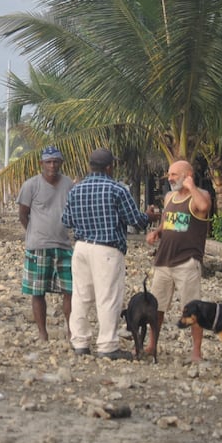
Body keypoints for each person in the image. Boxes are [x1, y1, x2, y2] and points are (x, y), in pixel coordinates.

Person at [61, 147, 155, 360]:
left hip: (82, 247)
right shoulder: (117, 189)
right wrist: (148, 216)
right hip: (107, 249)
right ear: (110, 167)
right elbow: (135, 220)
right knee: (108, 297)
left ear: (90, 166)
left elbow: (66, 221)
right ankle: (107, 345)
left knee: (81, 296)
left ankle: (80, 342)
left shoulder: (76, 190)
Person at [145, 159, 212, 362]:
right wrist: (157, 231)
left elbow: (204, 206)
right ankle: (151, 345)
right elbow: (167, 220)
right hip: (164, 260)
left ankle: (196, 352)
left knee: (192, 308)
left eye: (174, 174)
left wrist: (191, 187)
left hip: (187, 262)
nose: (170, 178)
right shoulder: (169, 197)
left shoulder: (200, 196)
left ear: (187, 175)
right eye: (169, 174)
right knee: (156, 307)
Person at [17, 145, 74, 342]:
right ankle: (42, 333)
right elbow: (23, 215)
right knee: (37, 291)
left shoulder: (68, 184)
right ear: (42, 164)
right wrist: (34, 233)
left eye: (56, 161)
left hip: (64, 245)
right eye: (48, 162)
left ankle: (71, 330)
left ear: (61, 163)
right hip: (38, 246)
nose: (52, 165)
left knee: (70, 290)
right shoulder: (31, 185)